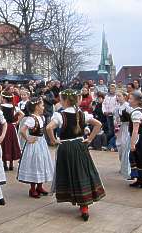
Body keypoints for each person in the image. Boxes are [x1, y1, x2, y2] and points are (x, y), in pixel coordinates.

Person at [46, 89, 105, 221]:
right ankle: (84, 206)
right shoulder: (82, 114)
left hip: (66, 148)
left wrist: (53, 140)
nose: (60, 101)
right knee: (82, 173)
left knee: (71, 174)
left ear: (65, 100)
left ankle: (77, 199)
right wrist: (89, 139)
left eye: (61, 99)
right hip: (80, 146)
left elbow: (49, 128)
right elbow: (98, 124)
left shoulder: (60, 115)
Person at [17, 97, 55, 198]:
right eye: (42, 105)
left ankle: (40, 186)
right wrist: (28, 139)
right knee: (34, 164)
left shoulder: (41, 117)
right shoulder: (31, 119)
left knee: (41, 163)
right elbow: (22, 130)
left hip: (41, 143)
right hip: (34, 145)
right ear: (36, 107)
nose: (43, 107)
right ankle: (32, 189)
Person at [0, 91, 23, 170]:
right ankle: (11, 164)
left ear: (4, 99)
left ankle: (4, 164)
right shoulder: (14, 107)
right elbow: (22, 114)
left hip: (3, 127)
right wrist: (17, 122)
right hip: (11, 127)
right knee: (12, 143)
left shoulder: (0, 107)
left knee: (3, 144)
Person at [114, 91, 132, 178]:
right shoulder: (117, 107)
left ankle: (128, 168)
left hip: (128, 128)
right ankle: (123, 166)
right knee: (120, 146)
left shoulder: (128, 106)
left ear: (124, 96)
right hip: (121, 128)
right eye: (117, 96)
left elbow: (132, 117)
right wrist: (116, 124)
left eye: (119, 96)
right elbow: (116, 118)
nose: (118, 97)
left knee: (126, 147)